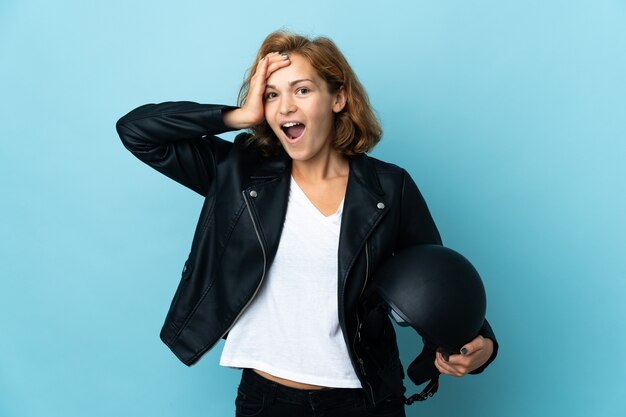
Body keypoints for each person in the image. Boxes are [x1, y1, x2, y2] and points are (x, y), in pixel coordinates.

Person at [117, 30, 498, 417]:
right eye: (271, 94)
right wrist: (240, 116)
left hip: (364, 400)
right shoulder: (239, 173)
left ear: (338, 97)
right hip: (265, 400)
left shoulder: (389, 187)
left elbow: (434, 280)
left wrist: (481, 342)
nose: (284, 107)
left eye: (301, 90)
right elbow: (137, 132)